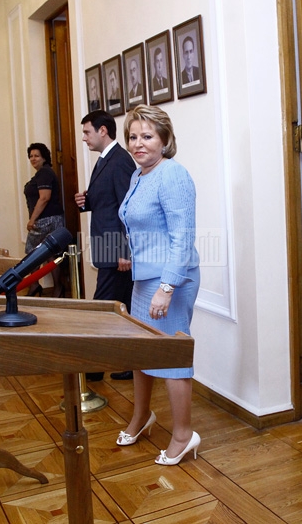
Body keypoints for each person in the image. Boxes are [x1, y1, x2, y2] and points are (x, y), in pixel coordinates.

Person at [117, 104, 201, 466]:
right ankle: (141, 417)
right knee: (140, 353)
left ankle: (184, 435)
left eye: (147, 136)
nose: (139, 143)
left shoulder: (172, 174)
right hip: (144, 278)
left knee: (170, 358)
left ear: (164, 140)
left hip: (172, 279)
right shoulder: (139, 175)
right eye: (133, 137)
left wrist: (166, 287)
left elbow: (182, 237)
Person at [75, 110, 136, 381]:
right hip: (107, 247)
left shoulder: (120, 160)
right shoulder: (103, 160)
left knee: (104, 307)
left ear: (102, 131)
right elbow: (109, 200)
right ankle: (126, 364)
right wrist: (86, 201)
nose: (84, 138)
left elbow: (128, 207)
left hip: (115, 250)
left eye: (87, 132)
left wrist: (125, 251)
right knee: (120, 307)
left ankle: (96, 367)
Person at [23, 142, 66, 298]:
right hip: (52, 219)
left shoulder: (44, 174)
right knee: (50, 255)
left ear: (44, 157)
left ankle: (35, 285)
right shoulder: (42, 173)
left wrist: (32, 220)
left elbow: (44, 198)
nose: (33, 159)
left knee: (32, 254)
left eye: (37, 156)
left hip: (46, 220)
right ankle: (57, 289)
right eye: (31, 156)